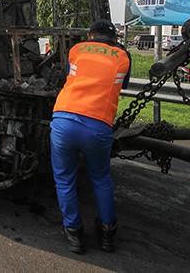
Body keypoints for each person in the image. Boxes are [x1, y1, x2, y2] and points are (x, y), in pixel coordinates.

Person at [50, 18, 131, 254]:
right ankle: (107, 233)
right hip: (97, 124)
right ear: (114, 38)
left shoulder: (77, 50)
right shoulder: (123, 57)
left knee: (65, 179)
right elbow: (122, 85)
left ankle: (74, 234)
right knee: (101, 177)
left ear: (90, 35)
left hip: (64, 119)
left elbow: (70, 77)